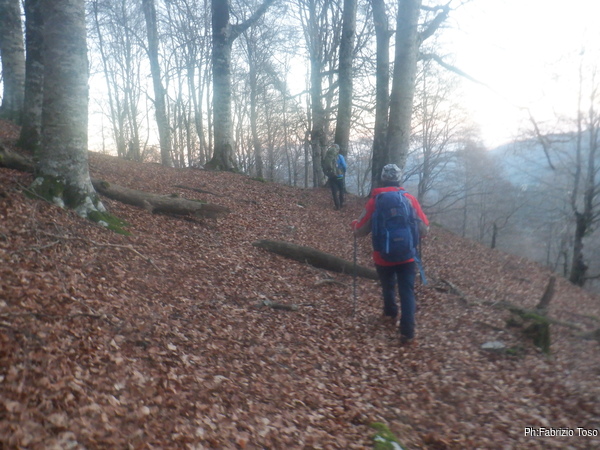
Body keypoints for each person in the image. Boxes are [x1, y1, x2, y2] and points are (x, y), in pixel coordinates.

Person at [351, 164, 429, 345]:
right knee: (407, 291)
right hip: (407, 255)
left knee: (388, 286)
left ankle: (390, 312)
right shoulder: (409, 199)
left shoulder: (375, 201)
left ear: (383, 179)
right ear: (399, 179)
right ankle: (407, 332)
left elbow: (360, 230)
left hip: (382, 256)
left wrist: (354, 224)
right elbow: (424, 228)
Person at [323, 144, 347, 210]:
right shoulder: (340, 156)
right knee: (341, 189)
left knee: (334, 191)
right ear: (337, 150)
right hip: (339, 176)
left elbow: (325, 165)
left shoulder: (328, 156)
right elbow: (344, 166)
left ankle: (337, 206)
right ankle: (341, 203)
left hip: (332, 176)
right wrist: (343, 171)